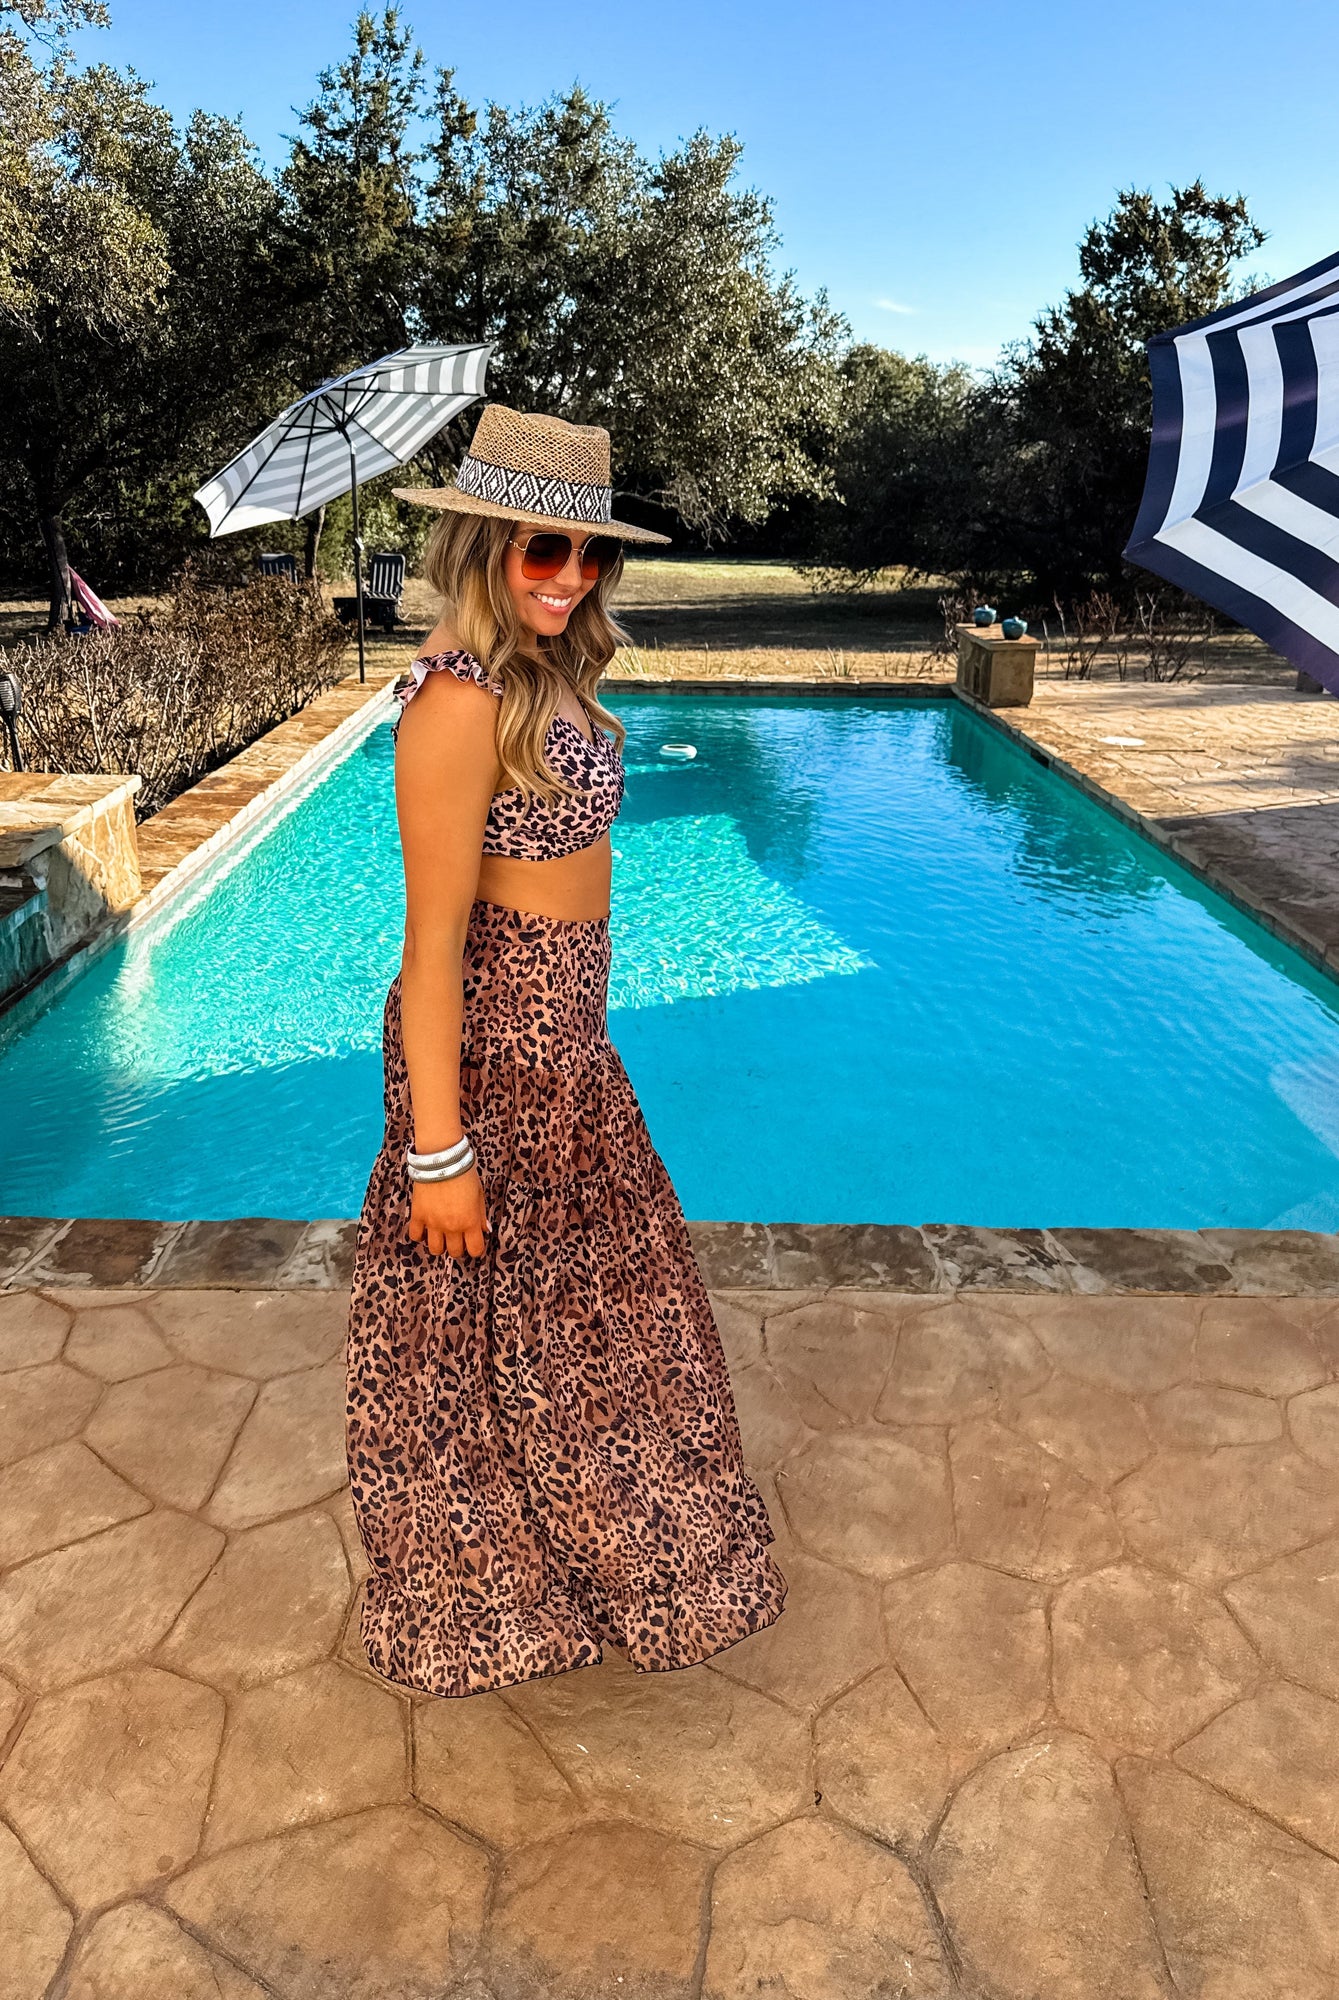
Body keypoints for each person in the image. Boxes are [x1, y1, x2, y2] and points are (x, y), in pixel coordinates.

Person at [345, 405, 787, 1698]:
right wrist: (438, 1153)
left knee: (588, 1326)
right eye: (546, 550)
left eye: (594, 555)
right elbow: (431, 949)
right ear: (483, 544)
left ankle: (605, 1565)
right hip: (493, 1053)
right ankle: (491, 1601)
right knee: (478, 1340)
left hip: (566, 1047)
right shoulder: (453, 706)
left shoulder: (533, 674)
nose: (574, 577)